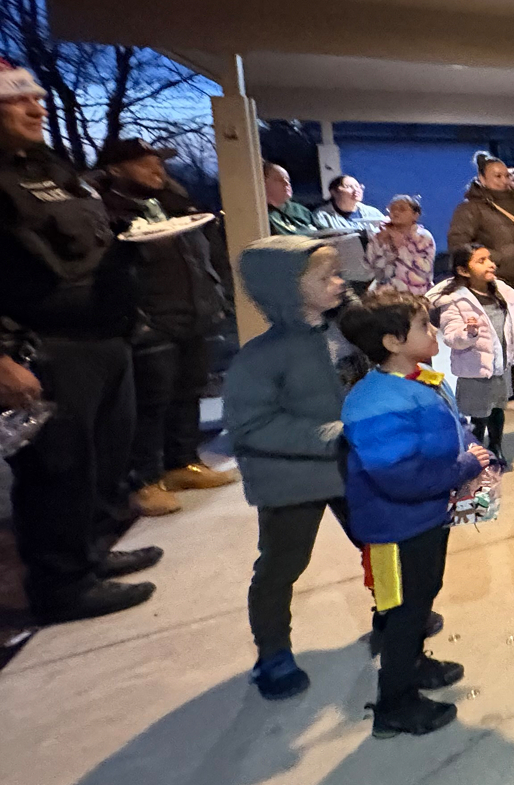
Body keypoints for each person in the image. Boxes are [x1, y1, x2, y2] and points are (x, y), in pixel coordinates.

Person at [0, 60, 159, 623]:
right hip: (47, 348)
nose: (36, 108)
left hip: (105, 337)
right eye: (17, 100)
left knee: (104, 459)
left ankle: (91, 552)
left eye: (37, 98)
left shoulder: (51, 166)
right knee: (58, 469)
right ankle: (61, 585)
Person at [338, 290, 489, 738]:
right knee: (402, 613)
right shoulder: (375, 402)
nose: (434, 330)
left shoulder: (419, 380)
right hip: (395, 528)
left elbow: (450, 427)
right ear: (392, 342)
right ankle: (395, 705)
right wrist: (462, 468)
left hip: (425, 518)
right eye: (424, 325)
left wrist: (470, 449)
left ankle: (414, 664)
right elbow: (399, 476)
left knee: (421, 598)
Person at [225, 236, 353, 700]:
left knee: (380, 542)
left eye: (338, 273)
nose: (339, 283)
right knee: (282, 564)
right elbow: (251, 426)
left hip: (348, 466)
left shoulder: (342, 332)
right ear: (286, 288)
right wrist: (333, 434)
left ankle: (394, 613)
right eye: (326, 277)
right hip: (290, 480)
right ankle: (273, 651)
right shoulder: (261, 357)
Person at [95, 137, 235, 515]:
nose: (157, 169)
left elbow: (207, 254)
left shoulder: (176, 203)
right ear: (115, 169)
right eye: (144, 163)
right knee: (150, 402)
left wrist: (217, 296)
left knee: (188, 391)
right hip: (149, 320)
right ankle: (144, 481)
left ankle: (182, 463)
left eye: (159, 162)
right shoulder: (106, 209)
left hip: (193, 313)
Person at [428, 243, 514, 471]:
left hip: (501, 364)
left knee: (498, 407)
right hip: (475, 367)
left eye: (489, 258)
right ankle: (477, 447)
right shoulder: (454, 300)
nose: (490, 264)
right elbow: (451, 336)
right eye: (481, 261)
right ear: (463, 270)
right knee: (478, 413)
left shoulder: (504, 292)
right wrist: (468, 333)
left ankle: (496, 445)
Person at [447, 151, 514, 308]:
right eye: (497, 176)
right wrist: (494, 257)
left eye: (506, 176)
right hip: (495, 282)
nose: (504, 181)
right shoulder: (470, 208)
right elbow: (459, 244)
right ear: (482, 179)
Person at [367, 194, 435, 295]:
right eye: (392, 209)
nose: (396, 212)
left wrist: (400, 247)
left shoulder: (423, 237)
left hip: (416, 292)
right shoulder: (380, 235)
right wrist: (381, 242)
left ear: (415, 215)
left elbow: (424, 271)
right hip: (385, 291)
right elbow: (371, 266)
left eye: (402, 209)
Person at [263, 162, 317, 237]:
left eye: (288, 180)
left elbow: (327, 232)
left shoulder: (300, 210)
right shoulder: (262, 215)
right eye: (279, 180)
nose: (287, 183)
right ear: (263, 183)